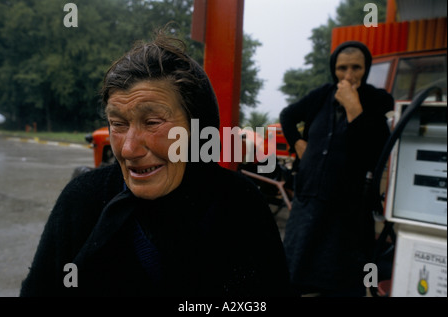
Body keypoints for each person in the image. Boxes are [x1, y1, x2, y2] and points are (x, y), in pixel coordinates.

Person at [20, 30, 291, 297]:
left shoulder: (240, 205)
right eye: (118, 124)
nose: (128, 149)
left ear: (198, 131)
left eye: (152, 123)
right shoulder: (83, 200)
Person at [280, 41, 394, 297]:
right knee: (295, 268)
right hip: (308, 197)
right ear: (334, 70)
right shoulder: (321, 95)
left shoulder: (376, 102)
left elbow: (376, 152)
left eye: (356, 68)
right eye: (343, 68)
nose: (349, 75)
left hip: (348, 208)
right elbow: (288, 114)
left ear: (366, 69)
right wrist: (298, 143)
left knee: (339, 279)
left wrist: (355, 109)